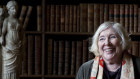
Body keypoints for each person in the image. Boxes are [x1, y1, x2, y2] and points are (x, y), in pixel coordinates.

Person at [76, 21, 140, 79]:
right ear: (97, 44)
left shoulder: (138, 65)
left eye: (112, 37)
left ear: (122, 41)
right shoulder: (85, 69)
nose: (107, 43)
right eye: (102, 39)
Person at [1, 1, 24, 79]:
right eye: (13, 8)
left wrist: (21, 42)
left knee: (15, 69)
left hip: (16, 46)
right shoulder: (6, 20)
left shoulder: (19, 22)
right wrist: (2, 38)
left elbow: (21, 35)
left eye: (16, 8)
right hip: (8, 46)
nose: (15, 10)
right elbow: (3, 33)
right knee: (7, 68)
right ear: (9, 10)